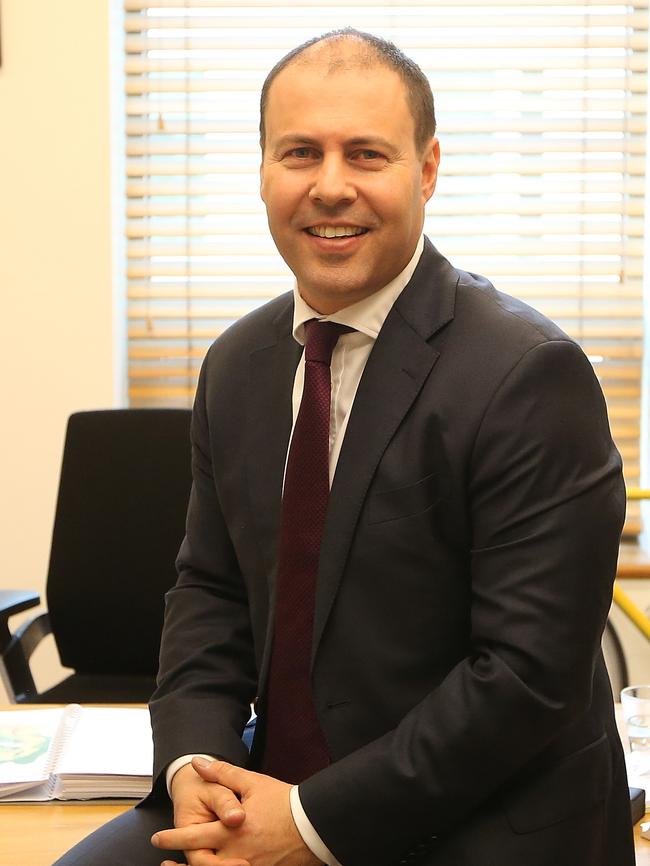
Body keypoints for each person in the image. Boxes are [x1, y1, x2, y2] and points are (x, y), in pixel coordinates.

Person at [54, 28, 634, 866]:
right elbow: (211, 592)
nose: (330, 187)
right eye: (300, 153)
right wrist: (196, 763)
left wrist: (310, 824)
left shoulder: (528, 375)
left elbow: (522, 678)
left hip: (473, 812)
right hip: (265, 789)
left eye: (366, 154)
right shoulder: (237, 367)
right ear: (262, 170)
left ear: (426, 169)